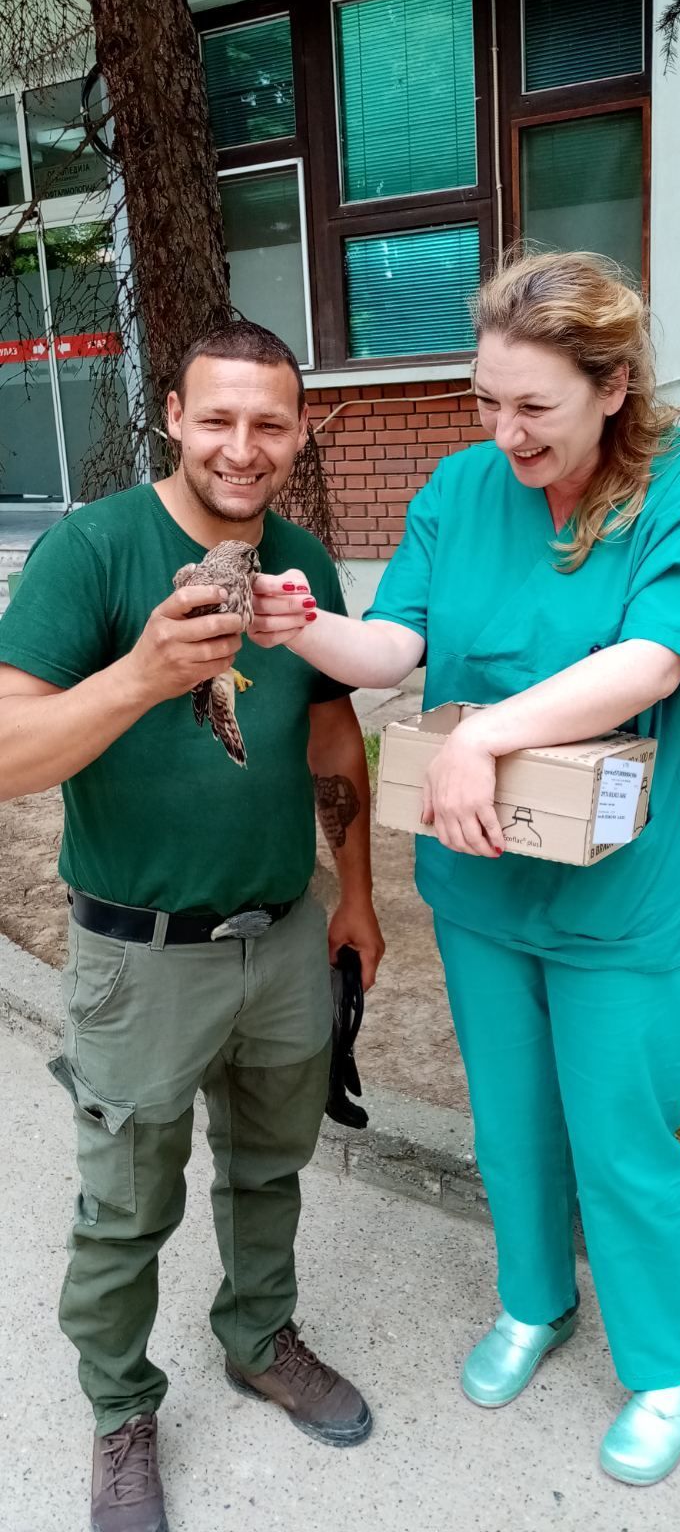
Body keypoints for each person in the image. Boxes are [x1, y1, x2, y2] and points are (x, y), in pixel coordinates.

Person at [248, 252, 680, 1488]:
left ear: (613, 386)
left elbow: (649, 662)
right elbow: (394, 644)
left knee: (622, 1134)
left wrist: (481, 729)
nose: (503, 430)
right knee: (512, 1117)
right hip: (482, 888)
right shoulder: (462, 486)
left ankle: (662, 1364)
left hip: (617, 899)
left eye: (534, 405)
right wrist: (303, 621)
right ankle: (536, 1301)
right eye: (486, 399)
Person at [0, 321, 384, 1532]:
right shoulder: (92, 550)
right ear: (172, 412)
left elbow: (330, 734)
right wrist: (141, 676)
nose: (242, 446)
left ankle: (258, 1336)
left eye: (270, 422)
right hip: (140, 952)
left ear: (301, 431)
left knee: (271, 1170)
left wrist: (359, 893)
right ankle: (120, 1409)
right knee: (124, 1207)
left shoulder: (302, 558)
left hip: (281, 938)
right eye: (217, 417)